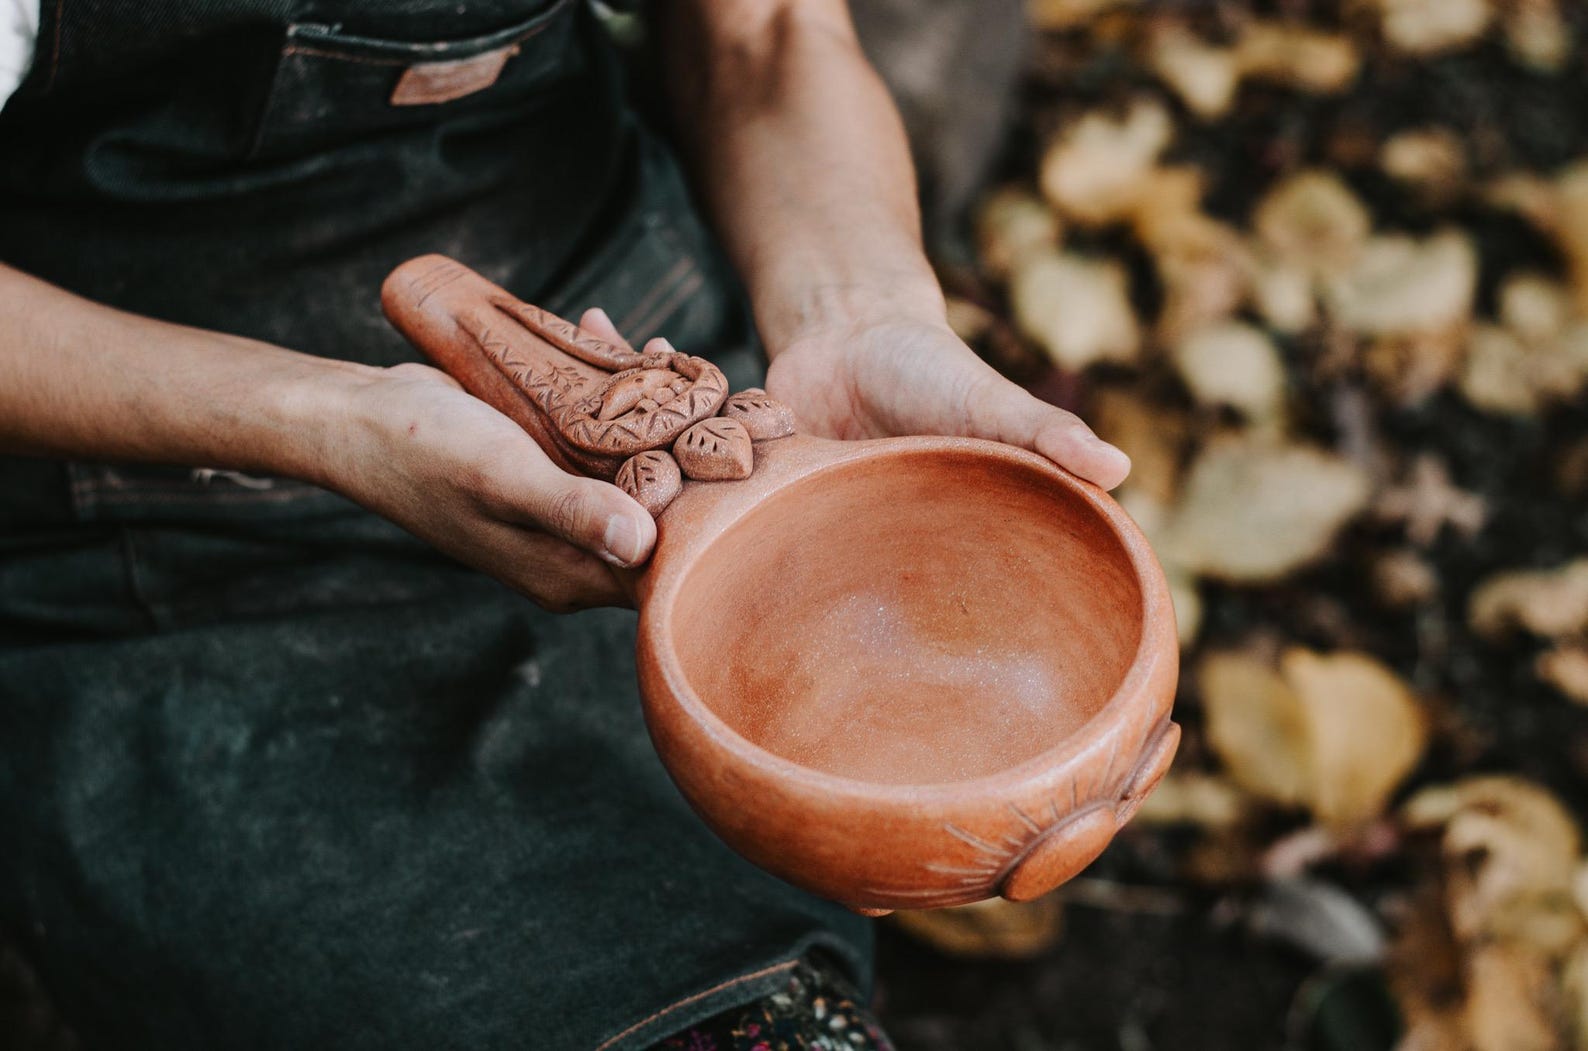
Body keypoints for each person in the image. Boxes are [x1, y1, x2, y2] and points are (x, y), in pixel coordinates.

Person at [0, 1, 1129, 1047]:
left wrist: (859, 312)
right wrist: (331, 418)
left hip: (648, 350)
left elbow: (768, 30)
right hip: (157, 519)